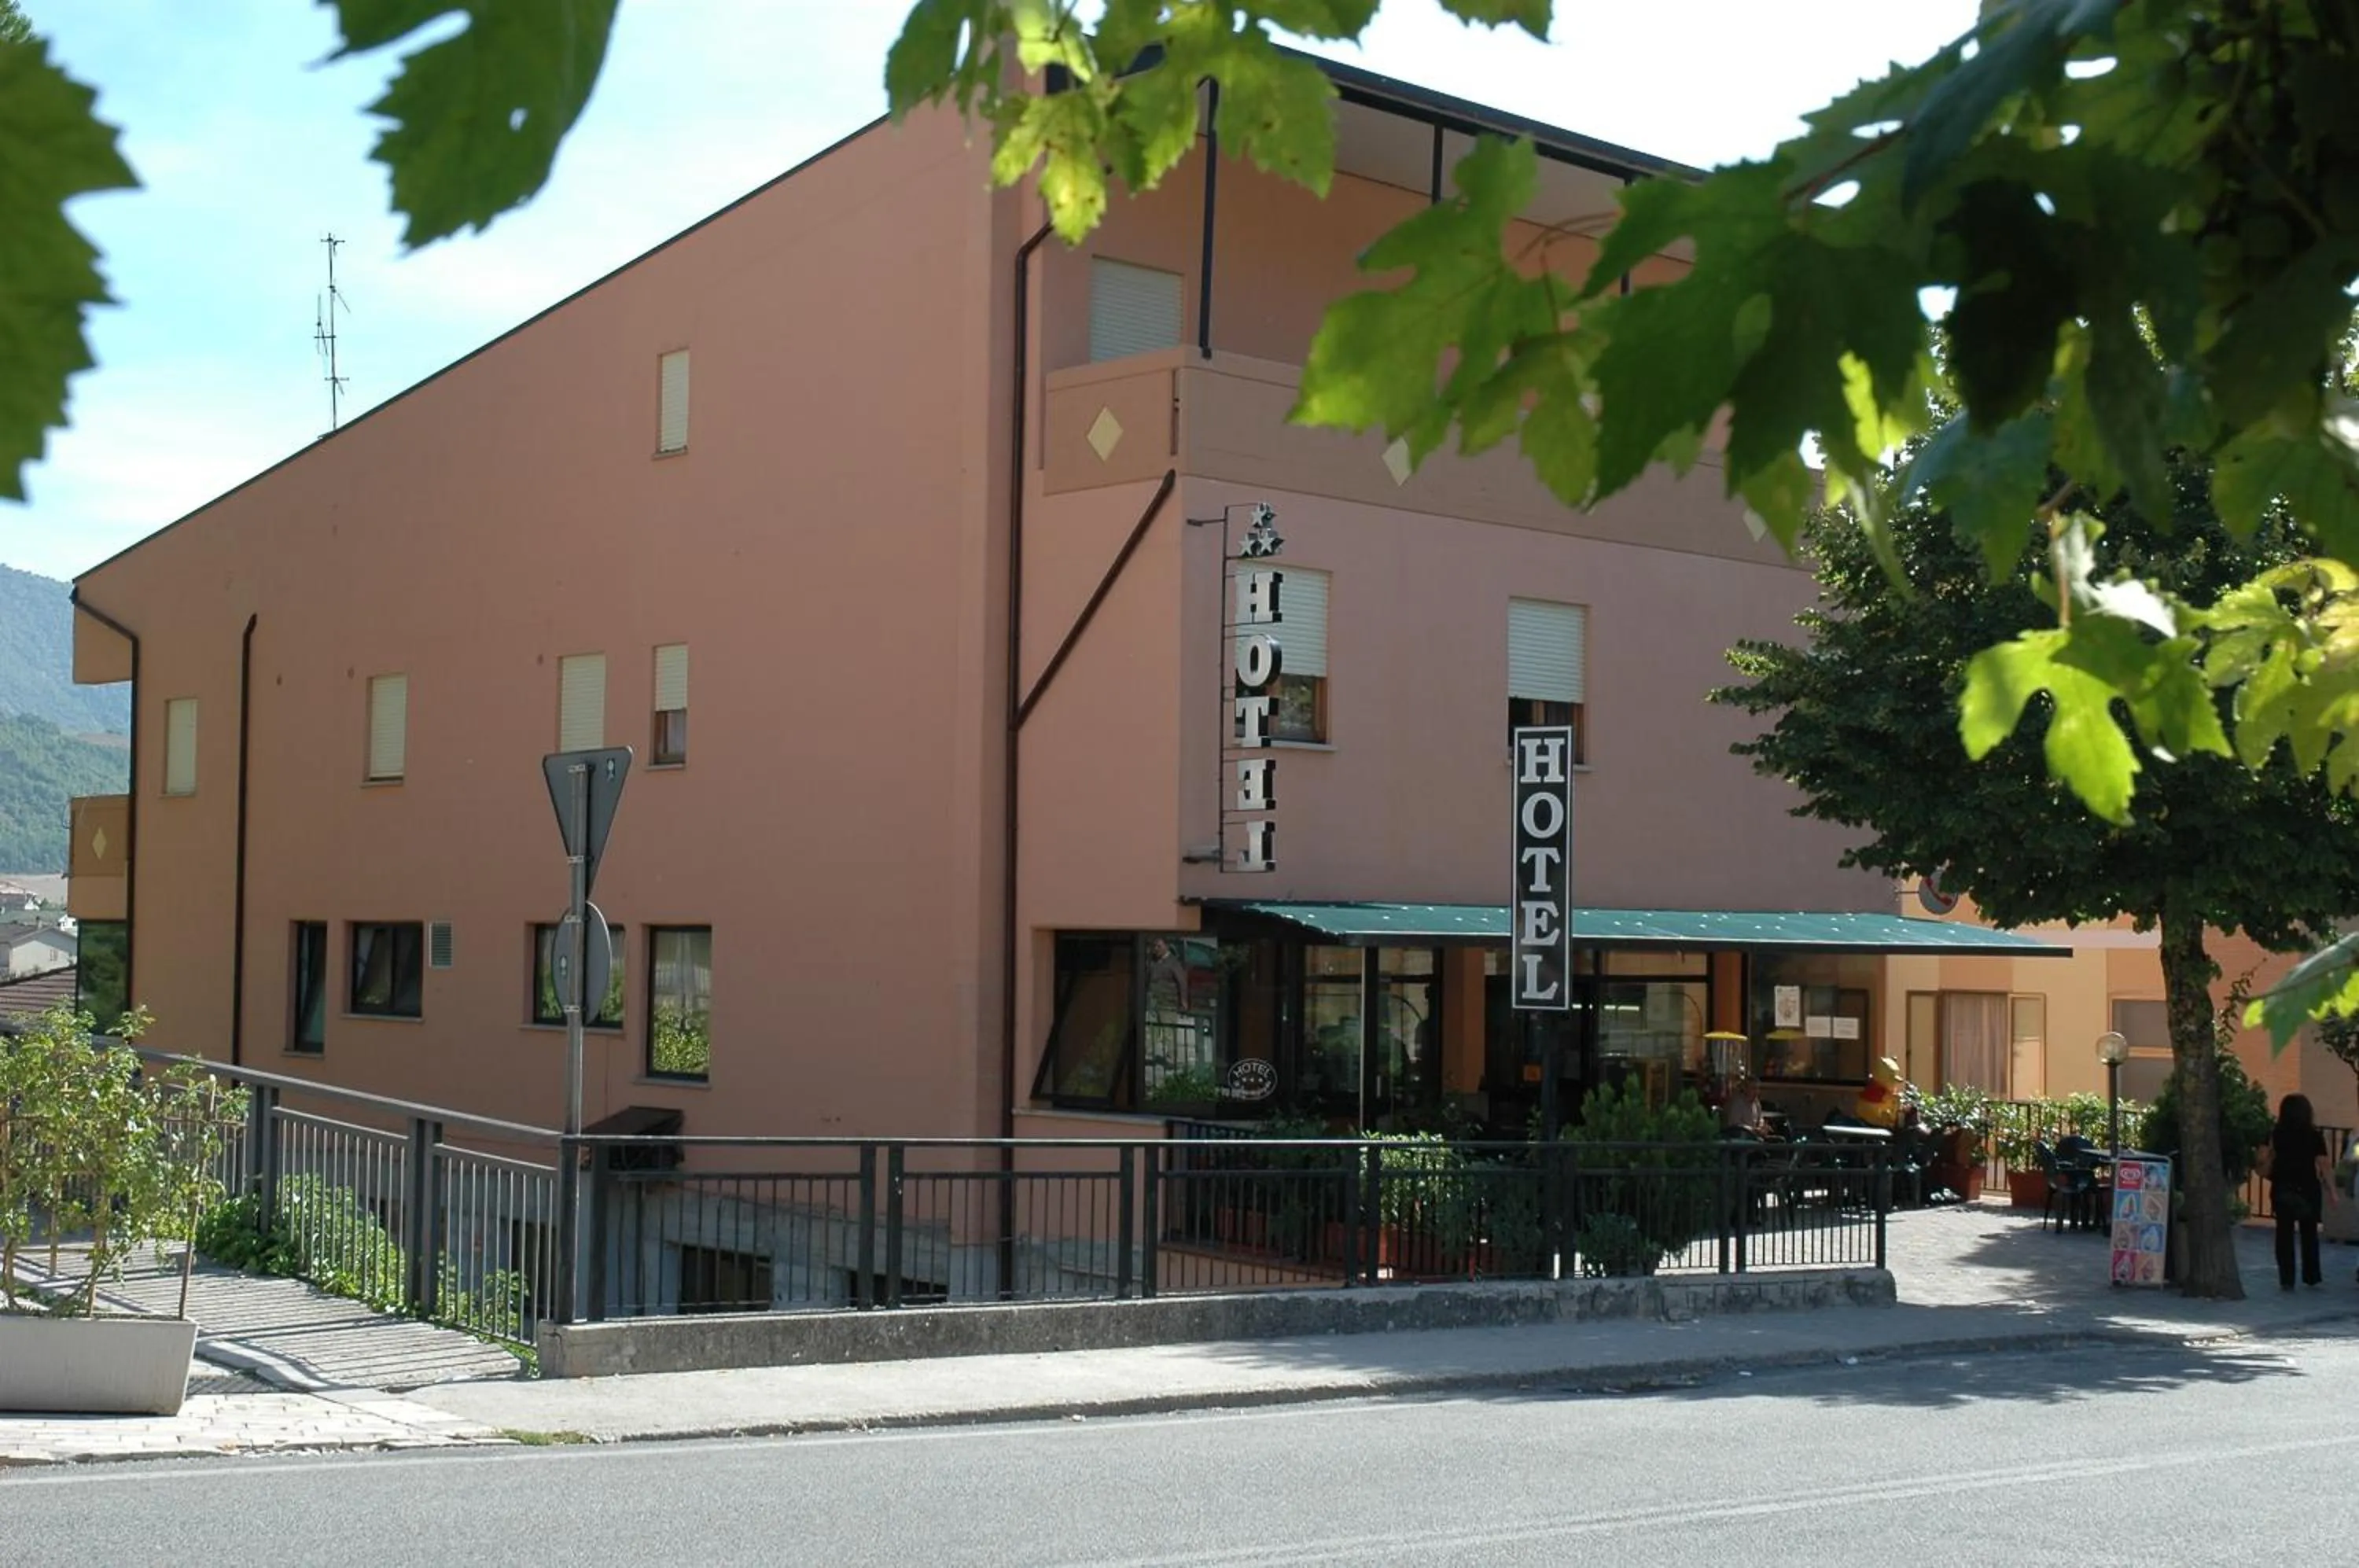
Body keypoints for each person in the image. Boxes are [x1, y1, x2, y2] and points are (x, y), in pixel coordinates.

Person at [2267, 1092, 2332, 1290]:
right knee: (2309, 1233)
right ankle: (2311, 1275)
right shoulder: (2314, 1135)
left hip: (2282, 1185)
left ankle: (2287, 1278)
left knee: (2284, 1234)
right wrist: (2332, 1191)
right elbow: (2324, 1164)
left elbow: (2265, 1157)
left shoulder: (2276, 1133)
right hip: (2308, 1188)